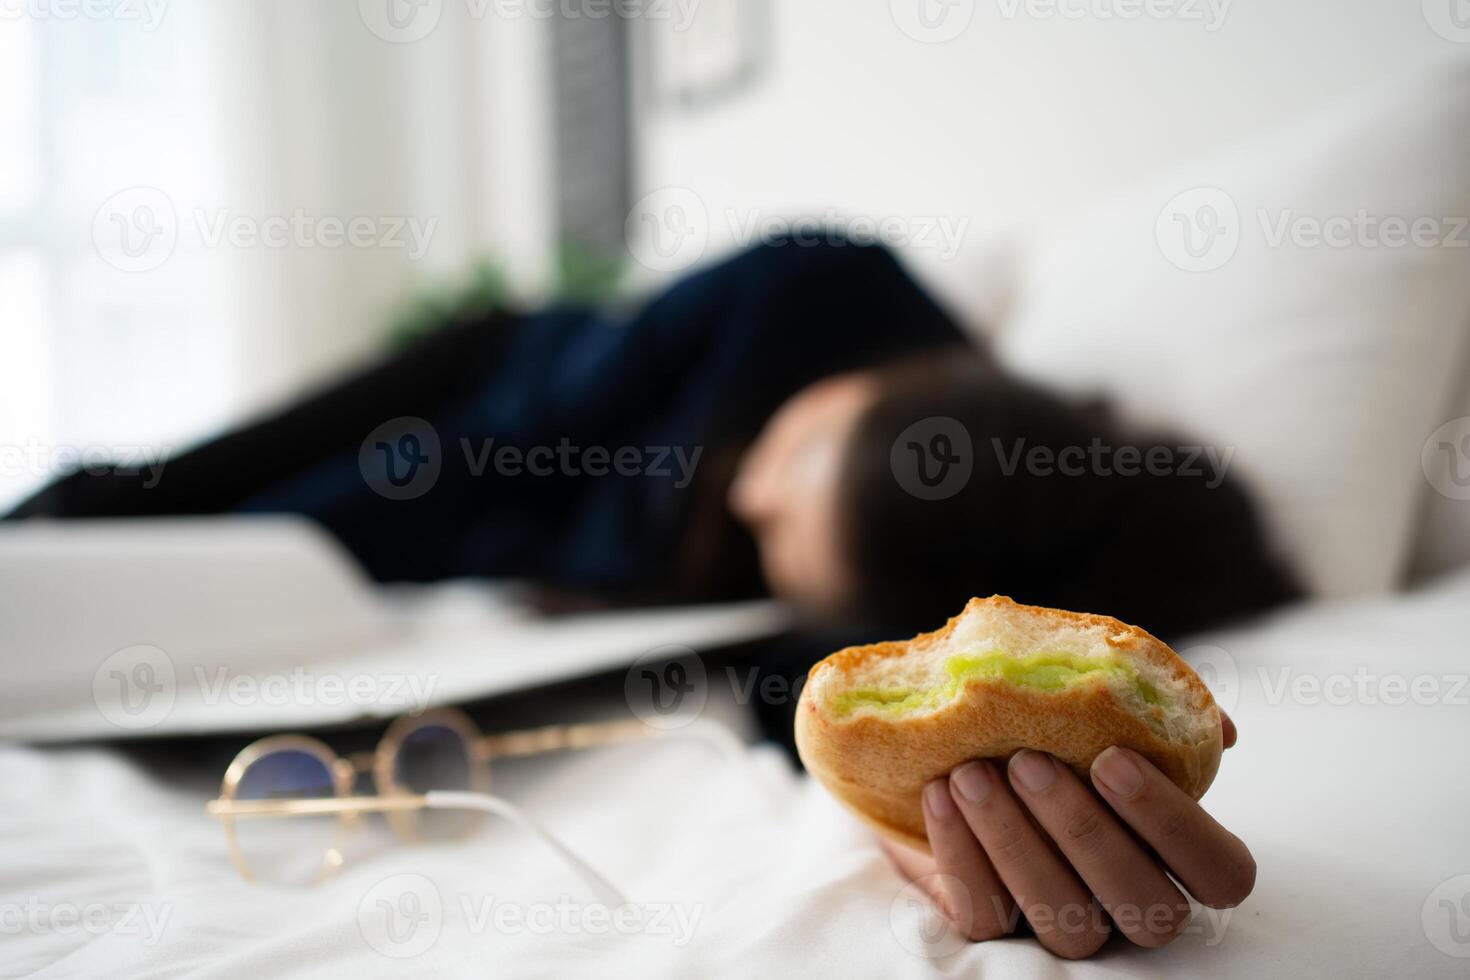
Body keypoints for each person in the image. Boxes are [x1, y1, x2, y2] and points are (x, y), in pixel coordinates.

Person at [9, 234, 1295, 956]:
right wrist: (202, 571)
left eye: (784, 549)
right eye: (787, 461)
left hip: (503, 567)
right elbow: (470, 453)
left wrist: (936, 818)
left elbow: (790, 703)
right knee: (113, 509)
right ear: (912, 385)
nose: (745, 507)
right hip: (464, 414)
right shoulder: (821, 287)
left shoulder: (922, 569)